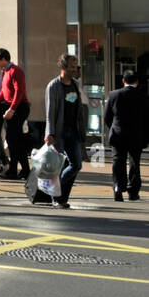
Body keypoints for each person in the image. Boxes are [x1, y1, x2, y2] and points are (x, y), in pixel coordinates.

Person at [44, 54, 86, 208]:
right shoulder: (54, 86)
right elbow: (50, 112)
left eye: (76, 67)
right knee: (58, 166)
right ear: (63, 67)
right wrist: (50, 133)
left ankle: (58, 192)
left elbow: (79, 109)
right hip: (59, 132)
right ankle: (59, 198)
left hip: (73, 131)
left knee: (76, 165)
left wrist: (82, 129)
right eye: (72, 67)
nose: (75, 70)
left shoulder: (75, 84)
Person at [104, 70, 145, 202]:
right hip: (136, 135)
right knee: (134, 162)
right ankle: (133, 191)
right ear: (137, 82)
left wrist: (113, 128)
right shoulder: (143, 96)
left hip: (118, 134)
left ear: (123, 81)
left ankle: (118, 187)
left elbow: (107, 116)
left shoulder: (114, 94)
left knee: (118, 161)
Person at [0, 48, 31, 179]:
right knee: (13, 139)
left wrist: (12, 109)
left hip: (19, 107)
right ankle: (23, 169)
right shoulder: (6, 72)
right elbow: (5, 91)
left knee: (13, 139)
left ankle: (15, 169)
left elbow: (19, 91)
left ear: (4, 59)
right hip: (12, 107)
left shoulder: (15, 71)